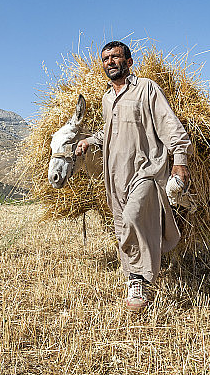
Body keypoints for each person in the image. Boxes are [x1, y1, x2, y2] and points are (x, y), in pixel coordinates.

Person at [75, 41, 191, 312]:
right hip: (115, 176)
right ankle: (133, 280)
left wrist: (180, 160)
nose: (110, 62)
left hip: (146, 170)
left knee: (132, 217)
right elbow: (110, 132)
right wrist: (91, 141)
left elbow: (168, 123)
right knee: (121, 228)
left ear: (128, 62)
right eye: (105, 59)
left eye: (116, 57)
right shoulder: (107, 98)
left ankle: (140, 279)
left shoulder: (146, 88)